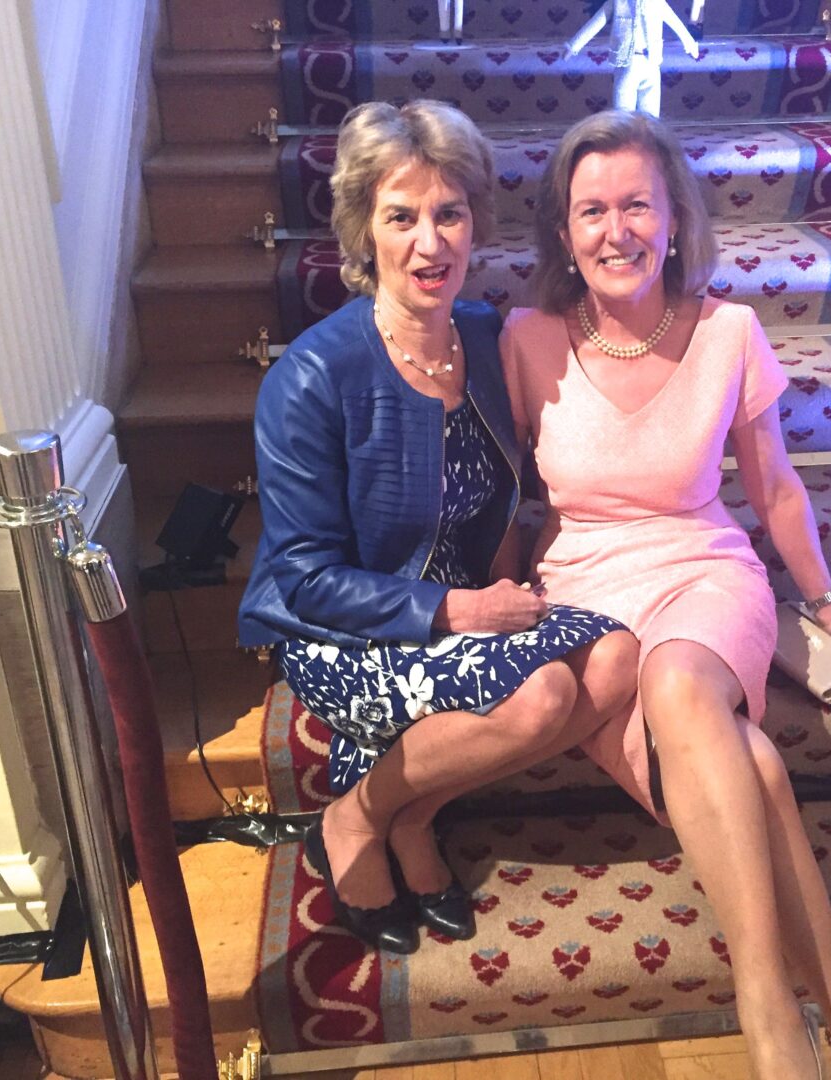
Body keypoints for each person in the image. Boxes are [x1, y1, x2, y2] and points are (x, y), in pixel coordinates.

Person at [500, 110, 831, 1080]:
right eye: (591, 210)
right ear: (564, 232)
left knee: (680, 683)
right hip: (583, 593)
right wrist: (486, 600)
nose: (617, 231)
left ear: (675, 217)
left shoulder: (730, 332)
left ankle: (764, 1005)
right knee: (752, 764)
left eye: (637, 205)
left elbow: (776, 489)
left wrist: (825, 602)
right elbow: (501, 493)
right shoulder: (525, 337)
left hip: (705, 573)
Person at [238, 100, 638, 956]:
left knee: (615, 660)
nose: (431, 243)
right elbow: (304, 579)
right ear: (363, 230)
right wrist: (459, 611)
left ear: (475, 221)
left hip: (462, 609)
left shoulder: (485, 339)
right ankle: (353, 819)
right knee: (543, 694)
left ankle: (412, 812)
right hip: (344, 630)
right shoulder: (312, 377)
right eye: (401, 217)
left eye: (449, 213)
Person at [565, 0, 700, 117]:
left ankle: (647, 138)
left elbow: (675, 23)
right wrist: (573, 46)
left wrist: (690, 45)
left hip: (650, 64)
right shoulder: (619, 2)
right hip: (628, 63)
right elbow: (597, 22)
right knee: (624, 116)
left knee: (648, 116)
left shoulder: (656, 2)